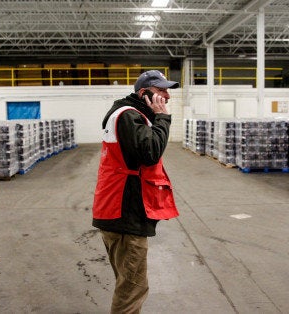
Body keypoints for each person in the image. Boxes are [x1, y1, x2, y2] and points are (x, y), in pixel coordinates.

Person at [92, 70, 180, 313]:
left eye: (167, 90)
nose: (167, 96)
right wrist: (164, 119)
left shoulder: (132, 115)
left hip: (120, 212)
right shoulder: (128, 116)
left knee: (129, 283)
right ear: (144, 94)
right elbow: (150, 152)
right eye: (161, 90)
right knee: (133, 288)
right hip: (123, 214)